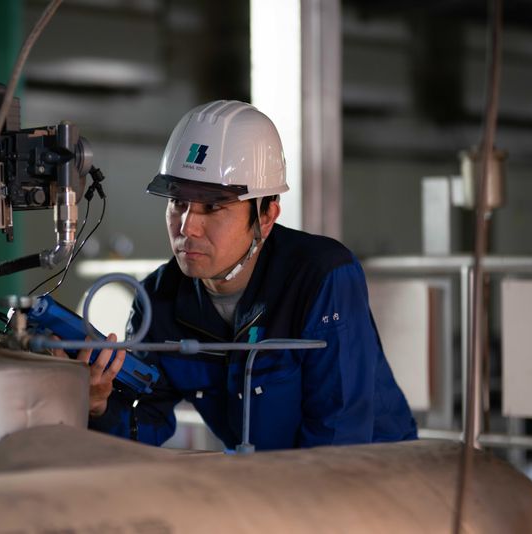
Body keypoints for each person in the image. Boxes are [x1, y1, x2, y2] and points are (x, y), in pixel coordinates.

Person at [81, 100, 417, 450]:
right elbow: (144, 423)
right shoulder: (159, 300)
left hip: (376, 469)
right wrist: (100, 405)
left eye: (212, 206)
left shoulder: (321, 277)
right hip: (261, 473)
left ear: (266, 216)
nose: (187, 227)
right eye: (178, 202)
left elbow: (339, 434)